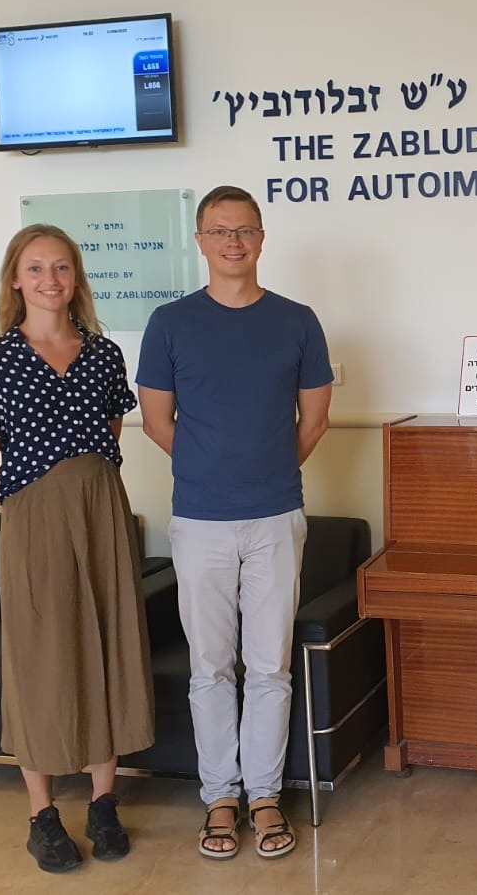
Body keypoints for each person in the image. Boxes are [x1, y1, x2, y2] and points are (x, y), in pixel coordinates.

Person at [137, 185, 333, 860]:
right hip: (200, 521)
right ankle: (220, 797)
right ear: (201, 241)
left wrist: (265, 471)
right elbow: (156, 421)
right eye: (220, 231)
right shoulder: (170, 323)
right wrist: (211, 469)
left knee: (270, 666)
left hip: (276, 515)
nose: (234, 242)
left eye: (245, 230)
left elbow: (315, 420)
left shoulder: (297, 321)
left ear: (261, 238)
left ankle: (265, 797)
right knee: (211, 668)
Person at [0, 224, 155, 873]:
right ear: (16, 280)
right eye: (37, 268)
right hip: (33, 518)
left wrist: (82, 498)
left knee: (109, 643)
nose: (51, 279)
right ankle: (42, 816)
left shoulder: (104, 355)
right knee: (41, 657)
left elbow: (109, 433)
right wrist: (28, 513)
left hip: (101, 509)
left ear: (76, 279)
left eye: (62, 267)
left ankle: (103, 803)